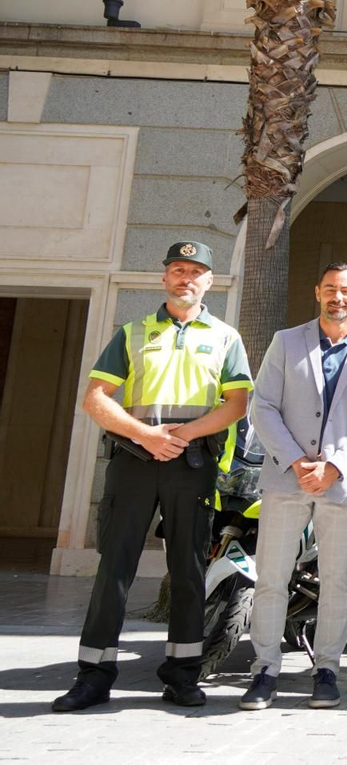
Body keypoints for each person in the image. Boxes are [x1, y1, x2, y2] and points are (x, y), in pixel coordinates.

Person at [53, 241, 253, 712]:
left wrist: (179, 437)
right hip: (134, 465)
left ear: (210, 282)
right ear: (164, 278)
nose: (186, 278)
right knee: (114, 570)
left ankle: (183, 675)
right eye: (178, 270)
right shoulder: (131, 333)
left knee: (188, 571)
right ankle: (94, 674)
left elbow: (237, 404)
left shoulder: (226, 338)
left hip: (192, 467)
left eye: (196, 271)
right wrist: (146, 436)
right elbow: (96, 399)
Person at [238, 262, 347, 710]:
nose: (337, 298)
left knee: (336, 582)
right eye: (330, 289)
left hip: (341, 485)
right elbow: (262, 406)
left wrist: (335, 467)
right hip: (286, 479)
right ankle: (264, 669)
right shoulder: (285, 342)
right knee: (270, 578)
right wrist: (296, 460)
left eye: (346, 290)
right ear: (317, 292)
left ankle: (326, 670)